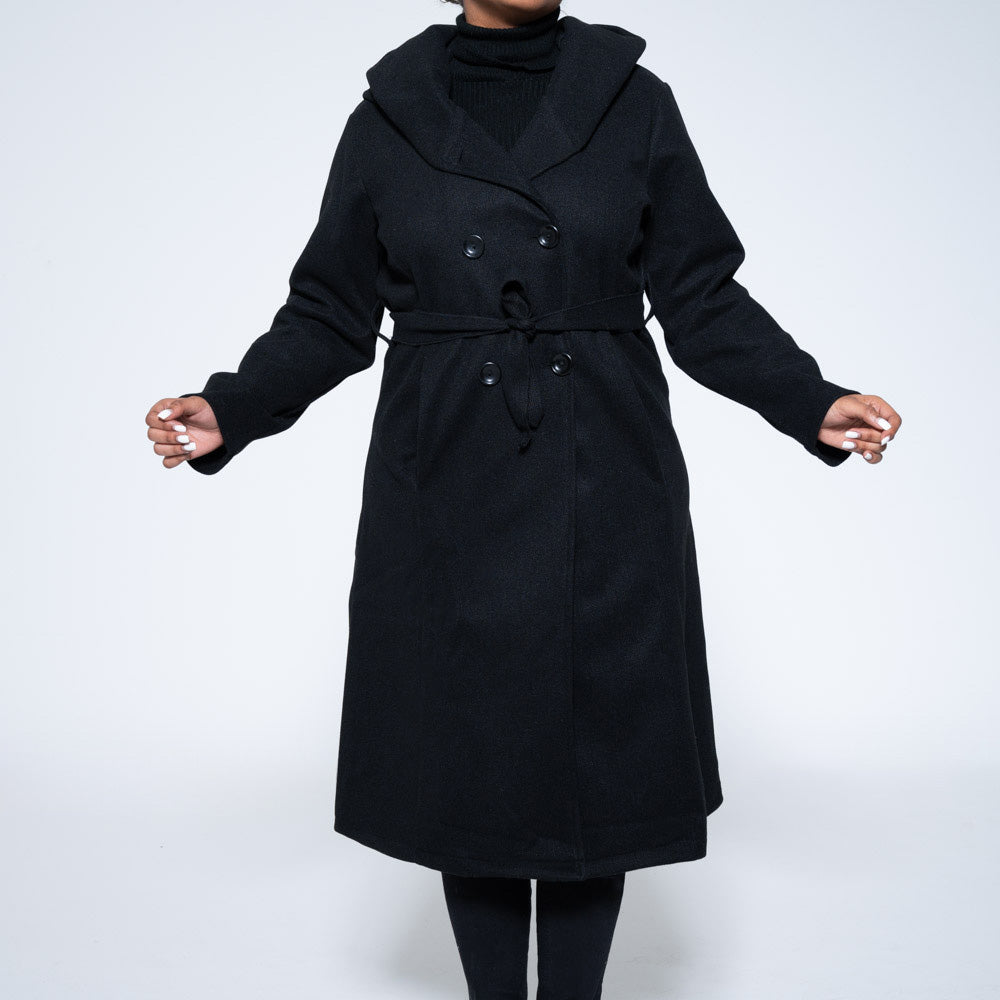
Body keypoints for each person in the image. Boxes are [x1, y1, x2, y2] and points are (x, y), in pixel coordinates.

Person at [145, 1, 901, 996]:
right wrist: (232, 407)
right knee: (474, 759)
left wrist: (809, 399)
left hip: (607, 465)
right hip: (444, 473)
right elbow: (330, 310)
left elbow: (701, 293)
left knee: (599, 752)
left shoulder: (633, 101)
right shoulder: (388, 115)